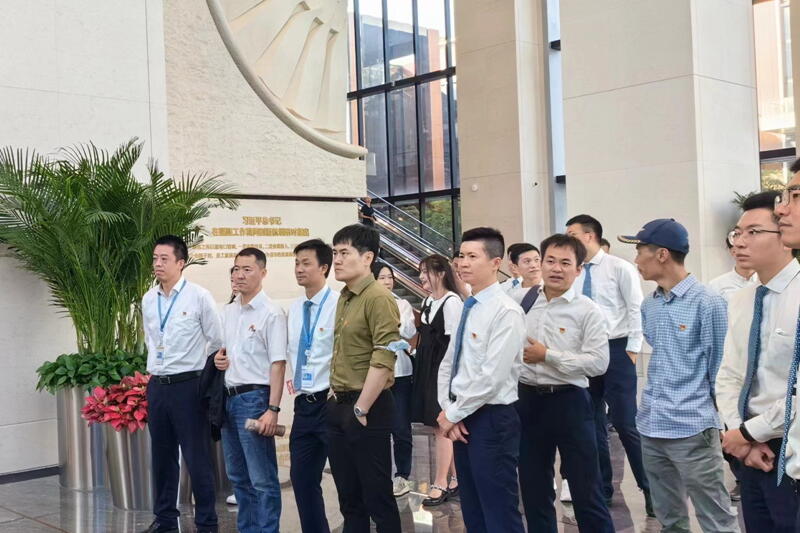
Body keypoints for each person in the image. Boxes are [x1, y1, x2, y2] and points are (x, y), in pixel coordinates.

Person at [618, 219, 739, 532]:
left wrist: (724, 423)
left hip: (693, 428)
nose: (635, 260)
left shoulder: (708, 302)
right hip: (652, 425)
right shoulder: (650, 304)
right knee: (669, 519)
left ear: (662, 254)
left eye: (640, 251)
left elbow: (720, 370)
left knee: (716, 519)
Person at [516, 233, 614, 533]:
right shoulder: (523, 302)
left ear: (578, 269)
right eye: (550, 261)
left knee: (586, 487)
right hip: (528, 401)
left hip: (569, 401)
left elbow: (598, 363)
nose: (556, 268)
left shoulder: (587, 310)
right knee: (533, 487)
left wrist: (548, 356)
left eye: (565, 263)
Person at [715, 191, 799, 532]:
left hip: (790, 446)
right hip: (748, 449)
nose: (739, 242)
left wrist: (751, 432)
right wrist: (740, 436)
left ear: (783, 237)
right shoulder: (742, 298)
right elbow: (729, 374)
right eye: (737, 233)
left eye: (753, 232)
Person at [437, 227, 526, 533]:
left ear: (495, 262)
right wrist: (448, 408)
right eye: (461, 255)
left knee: (498, 510)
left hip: (492, 418)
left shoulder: (506, 311)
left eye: (472, 256)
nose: (463, 263)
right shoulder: (469, 305)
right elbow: (449, 363)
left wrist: (453, 413)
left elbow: (492, 377)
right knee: (472, 508)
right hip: (463, 416)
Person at [565, 214, 651, 512]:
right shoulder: (574, 272)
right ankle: (602, 489)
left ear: (589, 236)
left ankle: (649, 489)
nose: (568, 240)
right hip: (585, 352)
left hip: (617, 349)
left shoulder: (619, 267)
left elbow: (636, 308)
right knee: (592, 424)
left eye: (572, 235)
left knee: (626, 424)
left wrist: (633, 349)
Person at [141, 235, 222, 533]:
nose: (158, 264)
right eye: (155, 258)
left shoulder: (199, 296)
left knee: (196, 456)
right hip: (158, 386)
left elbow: (217, 340)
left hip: (189, 386)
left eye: (164, 259)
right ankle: (164, 519)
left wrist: (204, 378)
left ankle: (207, 522)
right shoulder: (149, 299)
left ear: (180, 263)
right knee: (162, 457)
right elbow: (151, 340)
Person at [328, 223, 402, 532]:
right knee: (349, 499)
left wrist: (361, 408)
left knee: (378, 498)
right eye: (335, 253)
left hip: (368, 407)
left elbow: (384, 356)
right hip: (340, 404)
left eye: (344, 253)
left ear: (368, 257)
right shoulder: (345, 296)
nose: (337, 260)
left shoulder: (378, 297)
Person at [213, 248, 286, 533]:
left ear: (263, 273)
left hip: (254, 400)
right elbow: (224, 353)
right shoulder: (229, 311)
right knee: (238, 478)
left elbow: (278, 364)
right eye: (235, 269)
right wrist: (218, 361)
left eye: (247, 269)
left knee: (262, 479)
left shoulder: (271, 312)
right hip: (228, 399)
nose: (239, 275)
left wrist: (273, 409)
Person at [286, 239, 339, 533]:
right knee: (303, 479)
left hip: (331, 403)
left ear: (324, 267)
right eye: (297, 263)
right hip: (304, 405)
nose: (299, 269)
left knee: (346, 478)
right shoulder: (295, 308)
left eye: (306, 263)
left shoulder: (338, 304)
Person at [410, 254, 464, 506]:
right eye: (420, 272)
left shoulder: (452, 302)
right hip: (426, 368)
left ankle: (440, 482)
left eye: (426, 272)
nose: (422, 277)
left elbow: (454, 345)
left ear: (441, 273)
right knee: (436, 426)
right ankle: (457, 478)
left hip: (442, 371)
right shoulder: (428, 301)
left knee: (441, 426)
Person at [372, 261, 418, 498]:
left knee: (401, 428)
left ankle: (402, 475)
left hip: (400, 373)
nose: (387, 281)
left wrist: (392, 321)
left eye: (389, 277)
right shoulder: (368, 304)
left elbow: (409, 332)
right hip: (376, 374)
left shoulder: (403, 304)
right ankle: (379, 476)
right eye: (382, 277)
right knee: (378, 429)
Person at [709, 235, 758, 301]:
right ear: (733, 251)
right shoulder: (715, 286)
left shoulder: (766, 282)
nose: (745, 253)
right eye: (740, 248)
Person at [506, 243, 542, 309]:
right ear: (515, 267)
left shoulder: (553, 289)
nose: (533, 265)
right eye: (527, 261)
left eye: (537, 260)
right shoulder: (511, 295)